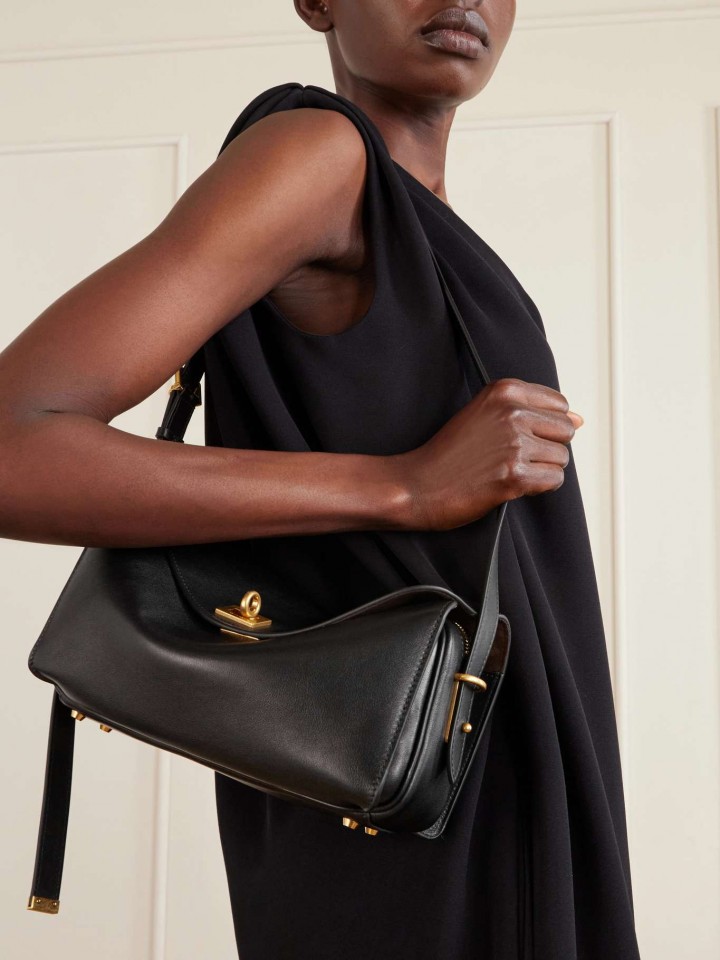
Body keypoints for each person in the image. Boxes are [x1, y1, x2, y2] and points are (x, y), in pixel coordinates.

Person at [0, 1, 642, 958]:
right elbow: (13, 443)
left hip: (472, 762)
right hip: (401, 796)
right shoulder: (317, 157)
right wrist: (401, 487)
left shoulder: (412, 210)